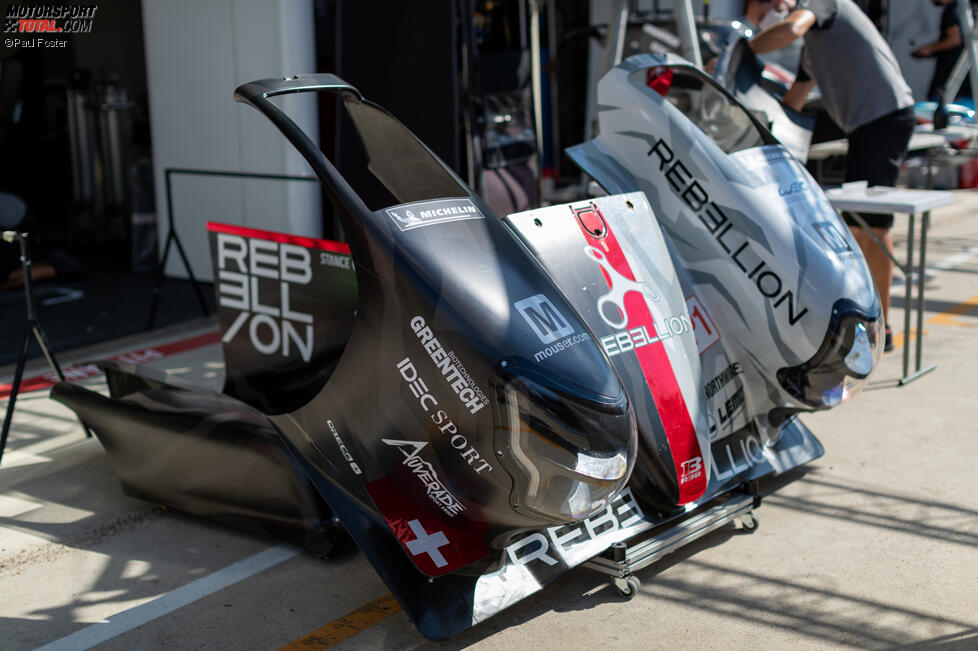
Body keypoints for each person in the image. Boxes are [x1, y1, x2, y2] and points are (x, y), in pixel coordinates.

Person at [744, 0, 916, 352]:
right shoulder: (813, 51)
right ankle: (872, 321)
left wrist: (741, 52)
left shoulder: (820, 3)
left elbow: (791, 28)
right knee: (857, 223)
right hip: (865, 123)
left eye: (761, 18)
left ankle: (880, 327)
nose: (764, 26)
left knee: (871, 225)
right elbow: (794, 100)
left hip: (883, 117)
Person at [913, 0, 970, 100]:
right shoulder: (964, 8)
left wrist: (929, 49)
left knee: (939, 103)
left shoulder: (952, 9)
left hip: (952, 74)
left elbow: (954, 39)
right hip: (964, 75)